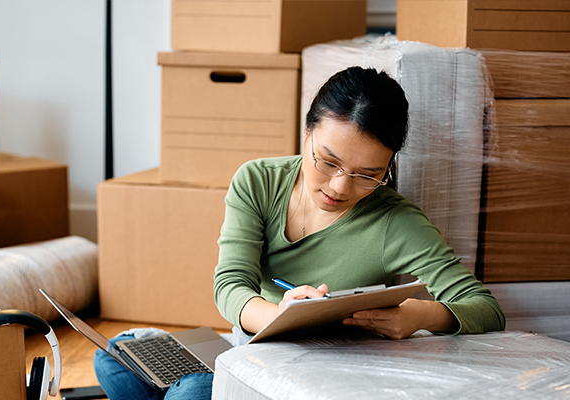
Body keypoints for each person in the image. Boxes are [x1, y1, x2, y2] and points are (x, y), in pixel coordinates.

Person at [94, 66, 506, 400]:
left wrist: (420, 315)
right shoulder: (257, 180)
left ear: (389, 165)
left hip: (310, 373)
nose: (340, 187)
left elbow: (485, 308)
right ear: (306, 133)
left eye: (368, 175)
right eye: (327, 162)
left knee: (192, 393)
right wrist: (279, 317)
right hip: (250, 345)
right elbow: (229, 285)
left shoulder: (394, 222)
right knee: (114, 355)